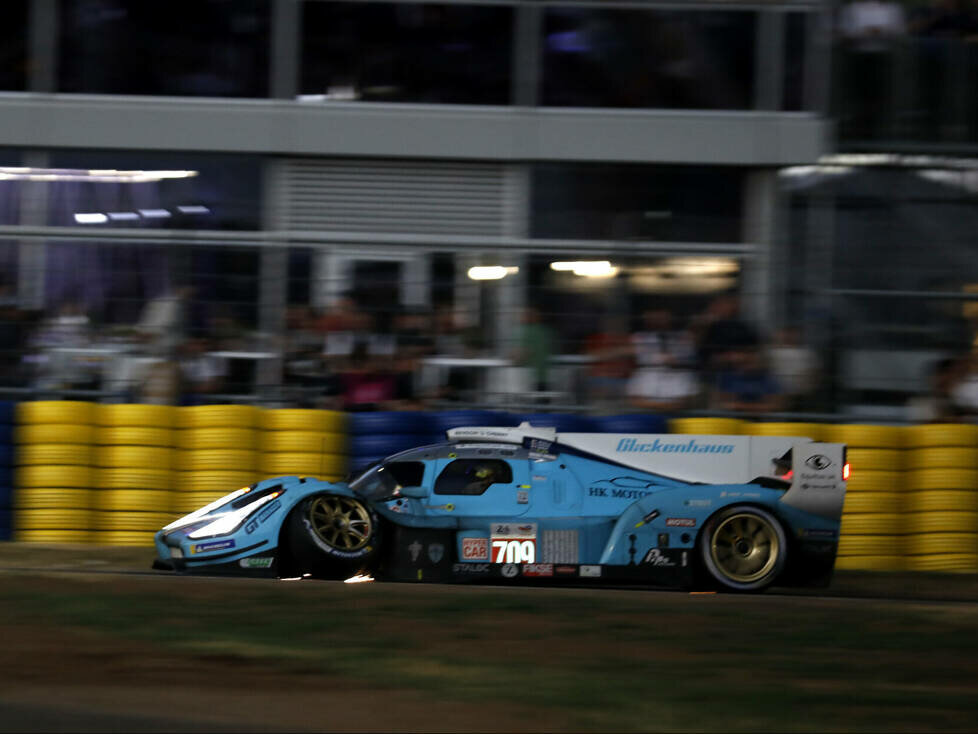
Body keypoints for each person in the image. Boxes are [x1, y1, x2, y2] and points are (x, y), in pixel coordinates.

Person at [712, 347, 785, 414]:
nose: (749, 364)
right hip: (733, 420)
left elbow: (775, 406)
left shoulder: (769, 380)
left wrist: (741, 406)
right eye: (746, 361)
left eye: (752, 360)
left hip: (761, 421)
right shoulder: (729, 378)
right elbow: (724, 404)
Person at [514, 306, 556, 393]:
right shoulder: (546, 331)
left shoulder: (529, 331)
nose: (521, 317)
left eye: (524, 315)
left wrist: (515, 358)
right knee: (543, 401)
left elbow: (524, 353)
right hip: (546, 375)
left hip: (531, 376)